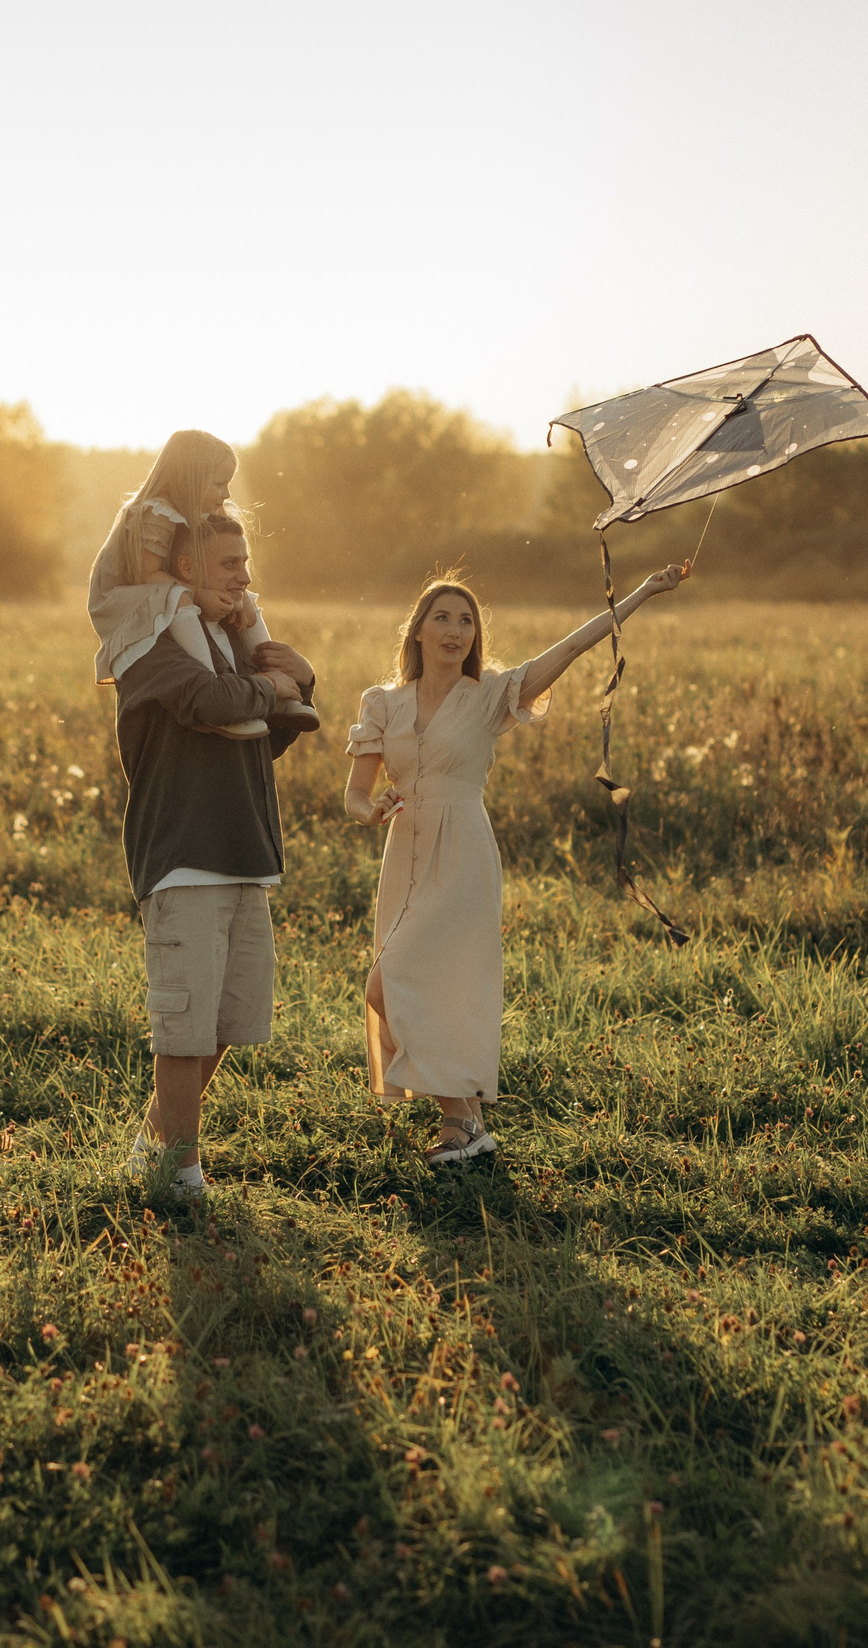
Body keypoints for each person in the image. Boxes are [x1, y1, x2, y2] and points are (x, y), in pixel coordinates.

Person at [344, 563, 689, 1164]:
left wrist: (642, 592)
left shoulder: (491, 696)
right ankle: (469, 1123)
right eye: (442, 618)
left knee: (400, 980)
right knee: (393, 987)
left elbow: (576, 646)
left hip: (464, 854)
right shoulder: (383, 703)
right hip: (404, 855)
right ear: (418, 630)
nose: (456, 630)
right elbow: (354, 793)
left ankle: (460, 1122)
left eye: (467, 621)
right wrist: (369, 810)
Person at [112, 510, 320, 1197]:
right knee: (184, 1026)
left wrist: (302, 682)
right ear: (187, 567)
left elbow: (264, 733)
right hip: (184, 854)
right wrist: (270, 688)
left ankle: (156, 1144)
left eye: (246, 561)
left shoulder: (231, 643)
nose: (245, 576)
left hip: (245, 852)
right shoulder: (149, 641)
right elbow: (208, 702)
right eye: (230, 562)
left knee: (226, 1021)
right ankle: (181, 1171)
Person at [87, 429, 319, 739]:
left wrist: (299, 678)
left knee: (245, 598)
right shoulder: (154, 512)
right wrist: (199, 595)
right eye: (219, 484)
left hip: (167, 588)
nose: (226, 494)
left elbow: (268, 749)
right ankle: (213, 682)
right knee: (181, 598)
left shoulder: (198, 513)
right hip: (128, 595)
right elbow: (147, 575)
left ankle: (282, 695)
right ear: (190, 479)